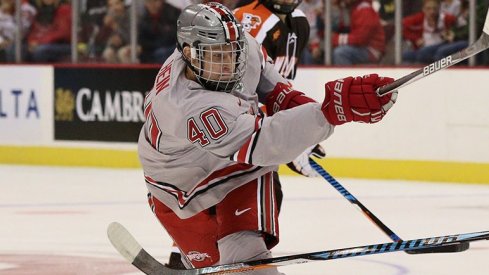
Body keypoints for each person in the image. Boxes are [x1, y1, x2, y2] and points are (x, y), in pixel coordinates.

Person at [137, 2, 397, 273]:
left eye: (231, 52)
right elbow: (263, 142)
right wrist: (330, 112)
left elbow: (276, 90)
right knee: (219, 267)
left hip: (237, 171)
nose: (229, 64)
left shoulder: (243, 46)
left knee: (245, 255)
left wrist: (307, 115)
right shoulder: (188, 105)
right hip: (176, 189)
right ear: (190, 54)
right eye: (217, 56)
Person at [332, 0, 386, 65]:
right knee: (332, 51)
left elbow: (361, 38)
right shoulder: (354, 7)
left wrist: (336, 39)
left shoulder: (364, 9)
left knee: (340, 53)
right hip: (364, 46)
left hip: (371, 49)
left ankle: (346, 75)